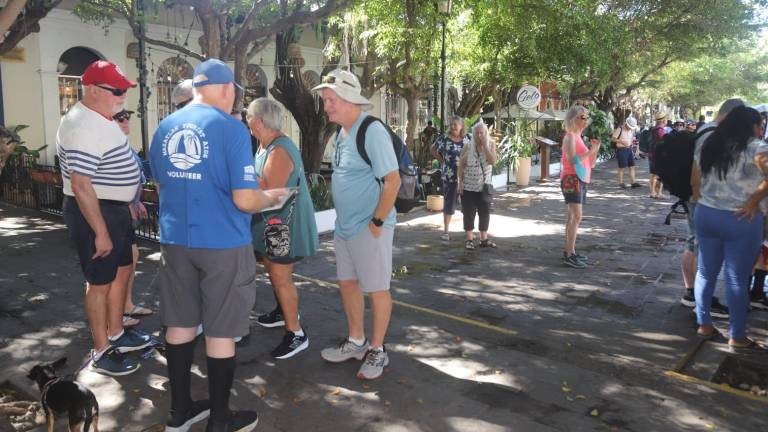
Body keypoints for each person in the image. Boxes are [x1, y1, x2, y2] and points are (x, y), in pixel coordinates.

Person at [149, 59, 284, 432]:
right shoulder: (231, 129)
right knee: (221, 331)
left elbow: (161, 185)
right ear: (227, 91)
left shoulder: (165, 126)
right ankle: (220, 420)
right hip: (223, 243)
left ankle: (180, 412)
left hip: (175, 240)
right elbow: (245, 199)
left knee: (179, 325)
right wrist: (272, 197)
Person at [57, 60, 153, 376]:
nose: (122, 97)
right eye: (117, 91)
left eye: (125, 90)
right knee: (99, 282)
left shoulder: (102, 116)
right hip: (96, 213)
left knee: (122, 270)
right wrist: (100, 231)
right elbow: (81, 184)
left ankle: (116, 333)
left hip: (114, 209)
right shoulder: (82, 124)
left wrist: (126, 200)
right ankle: (101, 349)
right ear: (94, 90)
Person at [313, 69, 400, 380]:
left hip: (369, 227)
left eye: (331, 100)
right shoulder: (342, 133)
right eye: (325, 100)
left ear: (349, 99)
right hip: (346, 227)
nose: (326, 106)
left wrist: (376, 223)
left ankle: (377, 350)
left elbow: (393, 181)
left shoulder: (371, 131)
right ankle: (356, 342)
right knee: (348, 284)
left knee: (377, 289)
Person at [246, 98, 319, 359]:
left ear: (260, 122)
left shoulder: (279, 149)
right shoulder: (265, 146)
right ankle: (282, 311)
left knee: (280, 276)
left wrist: (240, 175)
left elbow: (268, 190)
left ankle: (296, 333)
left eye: (249, 117)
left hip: (283, 226)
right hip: (273, 225)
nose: (247, 122)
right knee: (272, 268)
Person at [692, 105, 768, 352]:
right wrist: (753, 202)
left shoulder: (710, 144)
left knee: (705, 273)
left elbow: (696, 176)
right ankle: (737, 335)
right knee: (737, 279)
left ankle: (703, 324)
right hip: (741, 220)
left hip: (706, 214)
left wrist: (698, 198)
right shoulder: (756, 147)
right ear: (754, 126)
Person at [681, 99, 745, 316]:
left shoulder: (712, 131)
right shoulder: (711, 133)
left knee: (694, 242)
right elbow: (697, 168)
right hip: (700, 198)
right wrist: (699, 198)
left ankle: (694, 294)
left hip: (702, 197)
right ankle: (697, 296)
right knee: (697, 244)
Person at [113, 109, 153, 327]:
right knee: (120, 266)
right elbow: (115, 180)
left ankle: (126, 305)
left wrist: (136, 202)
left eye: (127, 118)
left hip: (128, 209)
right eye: (121, 119)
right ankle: (116, 315)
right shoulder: (112, 146)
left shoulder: (124, 145)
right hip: (117, 212)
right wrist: (130, 203)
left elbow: (136, 175)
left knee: (132, 259)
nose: (127, 122)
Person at [560, 105, 601, 269]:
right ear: (573, 119)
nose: (585, 121)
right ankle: (570, 254)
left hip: (581, 179)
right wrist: (591, 151)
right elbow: (572, 160)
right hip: (571, 179)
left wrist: (595, 150)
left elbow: (591, 163)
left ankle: (570, 252)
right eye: (582, 117)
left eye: (586, 117)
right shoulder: (569, 137)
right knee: (576, 217)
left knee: (573, 217)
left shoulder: (578, 137)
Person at [457, 121, 497, 250]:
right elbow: (461, 166)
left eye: (482, 133)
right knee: (469, 212)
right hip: (468, 186)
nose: (479, 135)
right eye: (477, 133)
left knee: (484, 213)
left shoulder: (491, 145)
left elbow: (492, 161)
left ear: (486, 134)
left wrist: (485, 146)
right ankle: (469, 239)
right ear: (473, 134)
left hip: (484, 187)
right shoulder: (468, 146)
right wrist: (459, 183)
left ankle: (483, 239)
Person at [430, 115, 469, 241]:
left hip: (467, 176)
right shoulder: (444, 139)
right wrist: (441, 160)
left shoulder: (468, 139)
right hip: (449, 176)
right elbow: (432, 149)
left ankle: (468, 231)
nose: (453, 127)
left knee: (468, 205)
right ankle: (446, 231)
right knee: (449, 203)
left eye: (455, 124)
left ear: (461, 126)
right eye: (451, 124)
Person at [611, 117, 640, 188]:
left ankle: (633, 182)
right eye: (629, 126)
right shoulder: (620, 129)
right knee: (622, 167)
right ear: (626, 124)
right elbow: (613, 139)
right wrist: (622, 141)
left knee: (632, 166)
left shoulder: (631, 131)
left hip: (629, 149)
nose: (630, 128)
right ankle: (621, 183)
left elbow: (631, 138)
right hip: (621, 150)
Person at [648, 112, 666, 199]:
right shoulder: (660, 130)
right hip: (658, 155)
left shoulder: (653, 129)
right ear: (663, 120)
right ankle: (658, 193)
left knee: (652, 174)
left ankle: (652, 192)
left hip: (651, 154)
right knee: (660, 175)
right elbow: (664, 142)